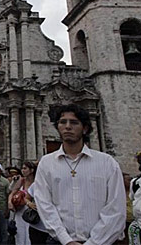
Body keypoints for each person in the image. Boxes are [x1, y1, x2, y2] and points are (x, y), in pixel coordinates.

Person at [35, 103, 126, 244]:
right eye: (62, 122)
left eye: (74, 122)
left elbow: (116, 208)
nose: (67, 127)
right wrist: (66, 240)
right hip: (60, 242)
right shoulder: (46, 163)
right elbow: (44, 204)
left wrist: (93, 243)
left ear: (85, 129)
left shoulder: (107, 163)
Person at [9, 161, 36, 245]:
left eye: (25, 168)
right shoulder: (21, 180)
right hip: (19, 211)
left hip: (31, 213)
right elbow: (12, 192)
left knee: (30, 236)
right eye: (22, 168)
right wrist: (9, 202)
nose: (23, 170)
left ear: (31, 170)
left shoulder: (37, 182)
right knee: (19, 235)